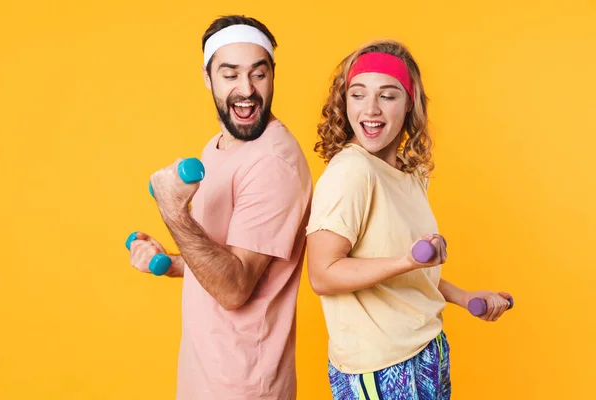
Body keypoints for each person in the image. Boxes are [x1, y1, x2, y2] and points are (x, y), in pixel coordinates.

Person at [305, 40, 513, 399]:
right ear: (344, 102)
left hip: (426, 347)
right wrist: (408, 259)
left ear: (409, 104)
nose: (370, 109)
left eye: (387, 95)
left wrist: (463, 297)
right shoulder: (352, 172)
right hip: (379, 363)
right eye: (358, 94)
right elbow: (322, 274)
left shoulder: (409, 173)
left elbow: (405, 270)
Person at [128, 15, 312, 400]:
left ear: (273, 75)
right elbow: (228, 260)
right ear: (207, 77)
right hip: (204, 374)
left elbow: (234, 288)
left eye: (258, 74)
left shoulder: (272, 164)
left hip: (243, 385)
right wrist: (176, 263)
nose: (246, 90)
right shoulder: (218, 145)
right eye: (230, 74)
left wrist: (173, 212)